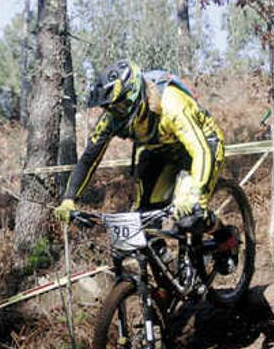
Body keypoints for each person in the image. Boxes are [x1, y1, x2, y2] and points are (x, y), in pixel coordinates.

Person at [53, 60, 225, 226]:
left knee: (189, 215)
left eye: (121, 106)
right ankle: (159, 254)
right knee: (144, 218)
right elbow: (89, 158)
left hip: (203, 146)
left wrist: (195, 192)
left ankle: (225, 238)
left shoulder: (171, 103)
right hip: (161, 151)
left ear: (136, 97)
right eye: (111, 108)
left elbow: (199, 149)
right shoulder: (113, 118)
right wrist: (69, 199)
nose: (116, 113)